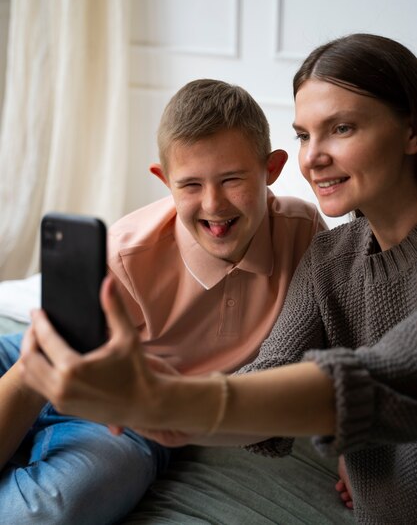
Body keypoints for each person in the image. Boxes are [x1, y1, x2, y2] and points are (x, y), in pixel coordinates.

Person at [20, 33, 417, 525]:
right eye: (303, 134)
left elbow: (384, 377)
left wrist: (349, 423)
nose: (312, 157)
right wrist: (166, 404)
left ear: (411, 130)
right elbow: (275, 372)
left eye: (341, 128)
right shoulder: (331, 257)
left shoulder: (306, 237)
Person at [0, 79, 325, 524]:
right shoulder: (124, 256)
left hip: (126, 407)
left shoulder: (305, 232)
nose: (213, 204)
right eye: (190, 184)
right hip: (43, 357)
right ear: (164, 181)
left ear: (271, 168)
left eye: (232, 179)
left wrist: (353, 444)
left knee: (54, 509)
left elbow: (333, 336)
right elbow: (36, 371)